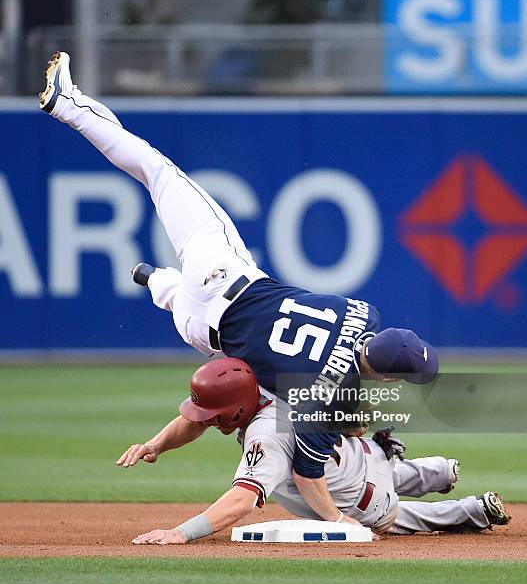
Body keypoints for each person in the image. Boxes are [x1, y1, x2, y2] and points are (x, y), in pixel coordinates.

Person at [40, 51, 439, 526]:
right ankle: (154, 278)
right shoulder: (320, 395)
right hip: (203, 333)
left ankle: (71, 108)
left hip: (227, 279)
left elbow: (343, 361)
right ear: (391, 378)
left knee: (159, 172)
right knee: (180, 297)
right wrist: (338, 518)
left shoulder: (360, 310)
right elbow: (311, 468)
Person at [116, 358, 510, 545]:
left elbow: (240, 501)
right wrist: (155, 445)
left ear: (237, 407)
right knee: (352, 474)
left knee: (381, 519)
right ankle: (439, 470)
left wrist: (181, 533)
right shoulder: (265, 378)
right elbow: (196, 419)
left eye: (216, 415)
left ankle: (470, 509)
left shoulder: (266, 435)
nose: (209, 421)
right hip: (367, 452)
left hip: (367, 496)